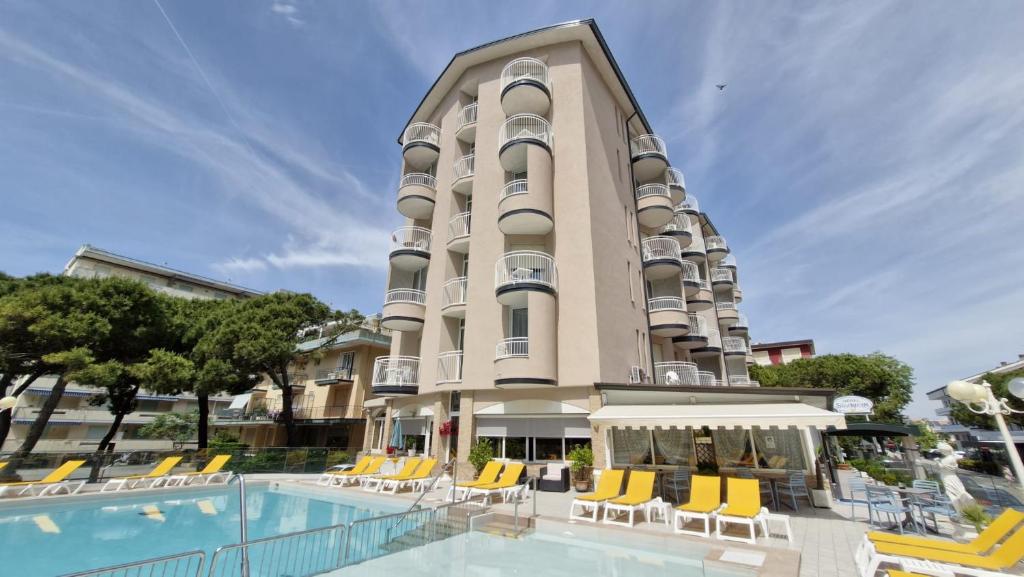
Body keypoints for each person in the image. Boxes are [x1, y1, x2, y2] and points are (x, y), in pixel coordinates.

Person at [936, 442, 975, 512]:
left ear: (945, 450)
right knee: (956, 494)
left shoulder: (949, 459)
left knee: (954, 495)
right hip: (948, 478)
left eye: (941, 450)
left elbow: (943, 466)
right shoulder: (950, 458)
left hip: (949, 478)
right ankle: (963, 511)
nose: (941, 452)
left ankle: (963, 511)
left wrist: (938, 462)